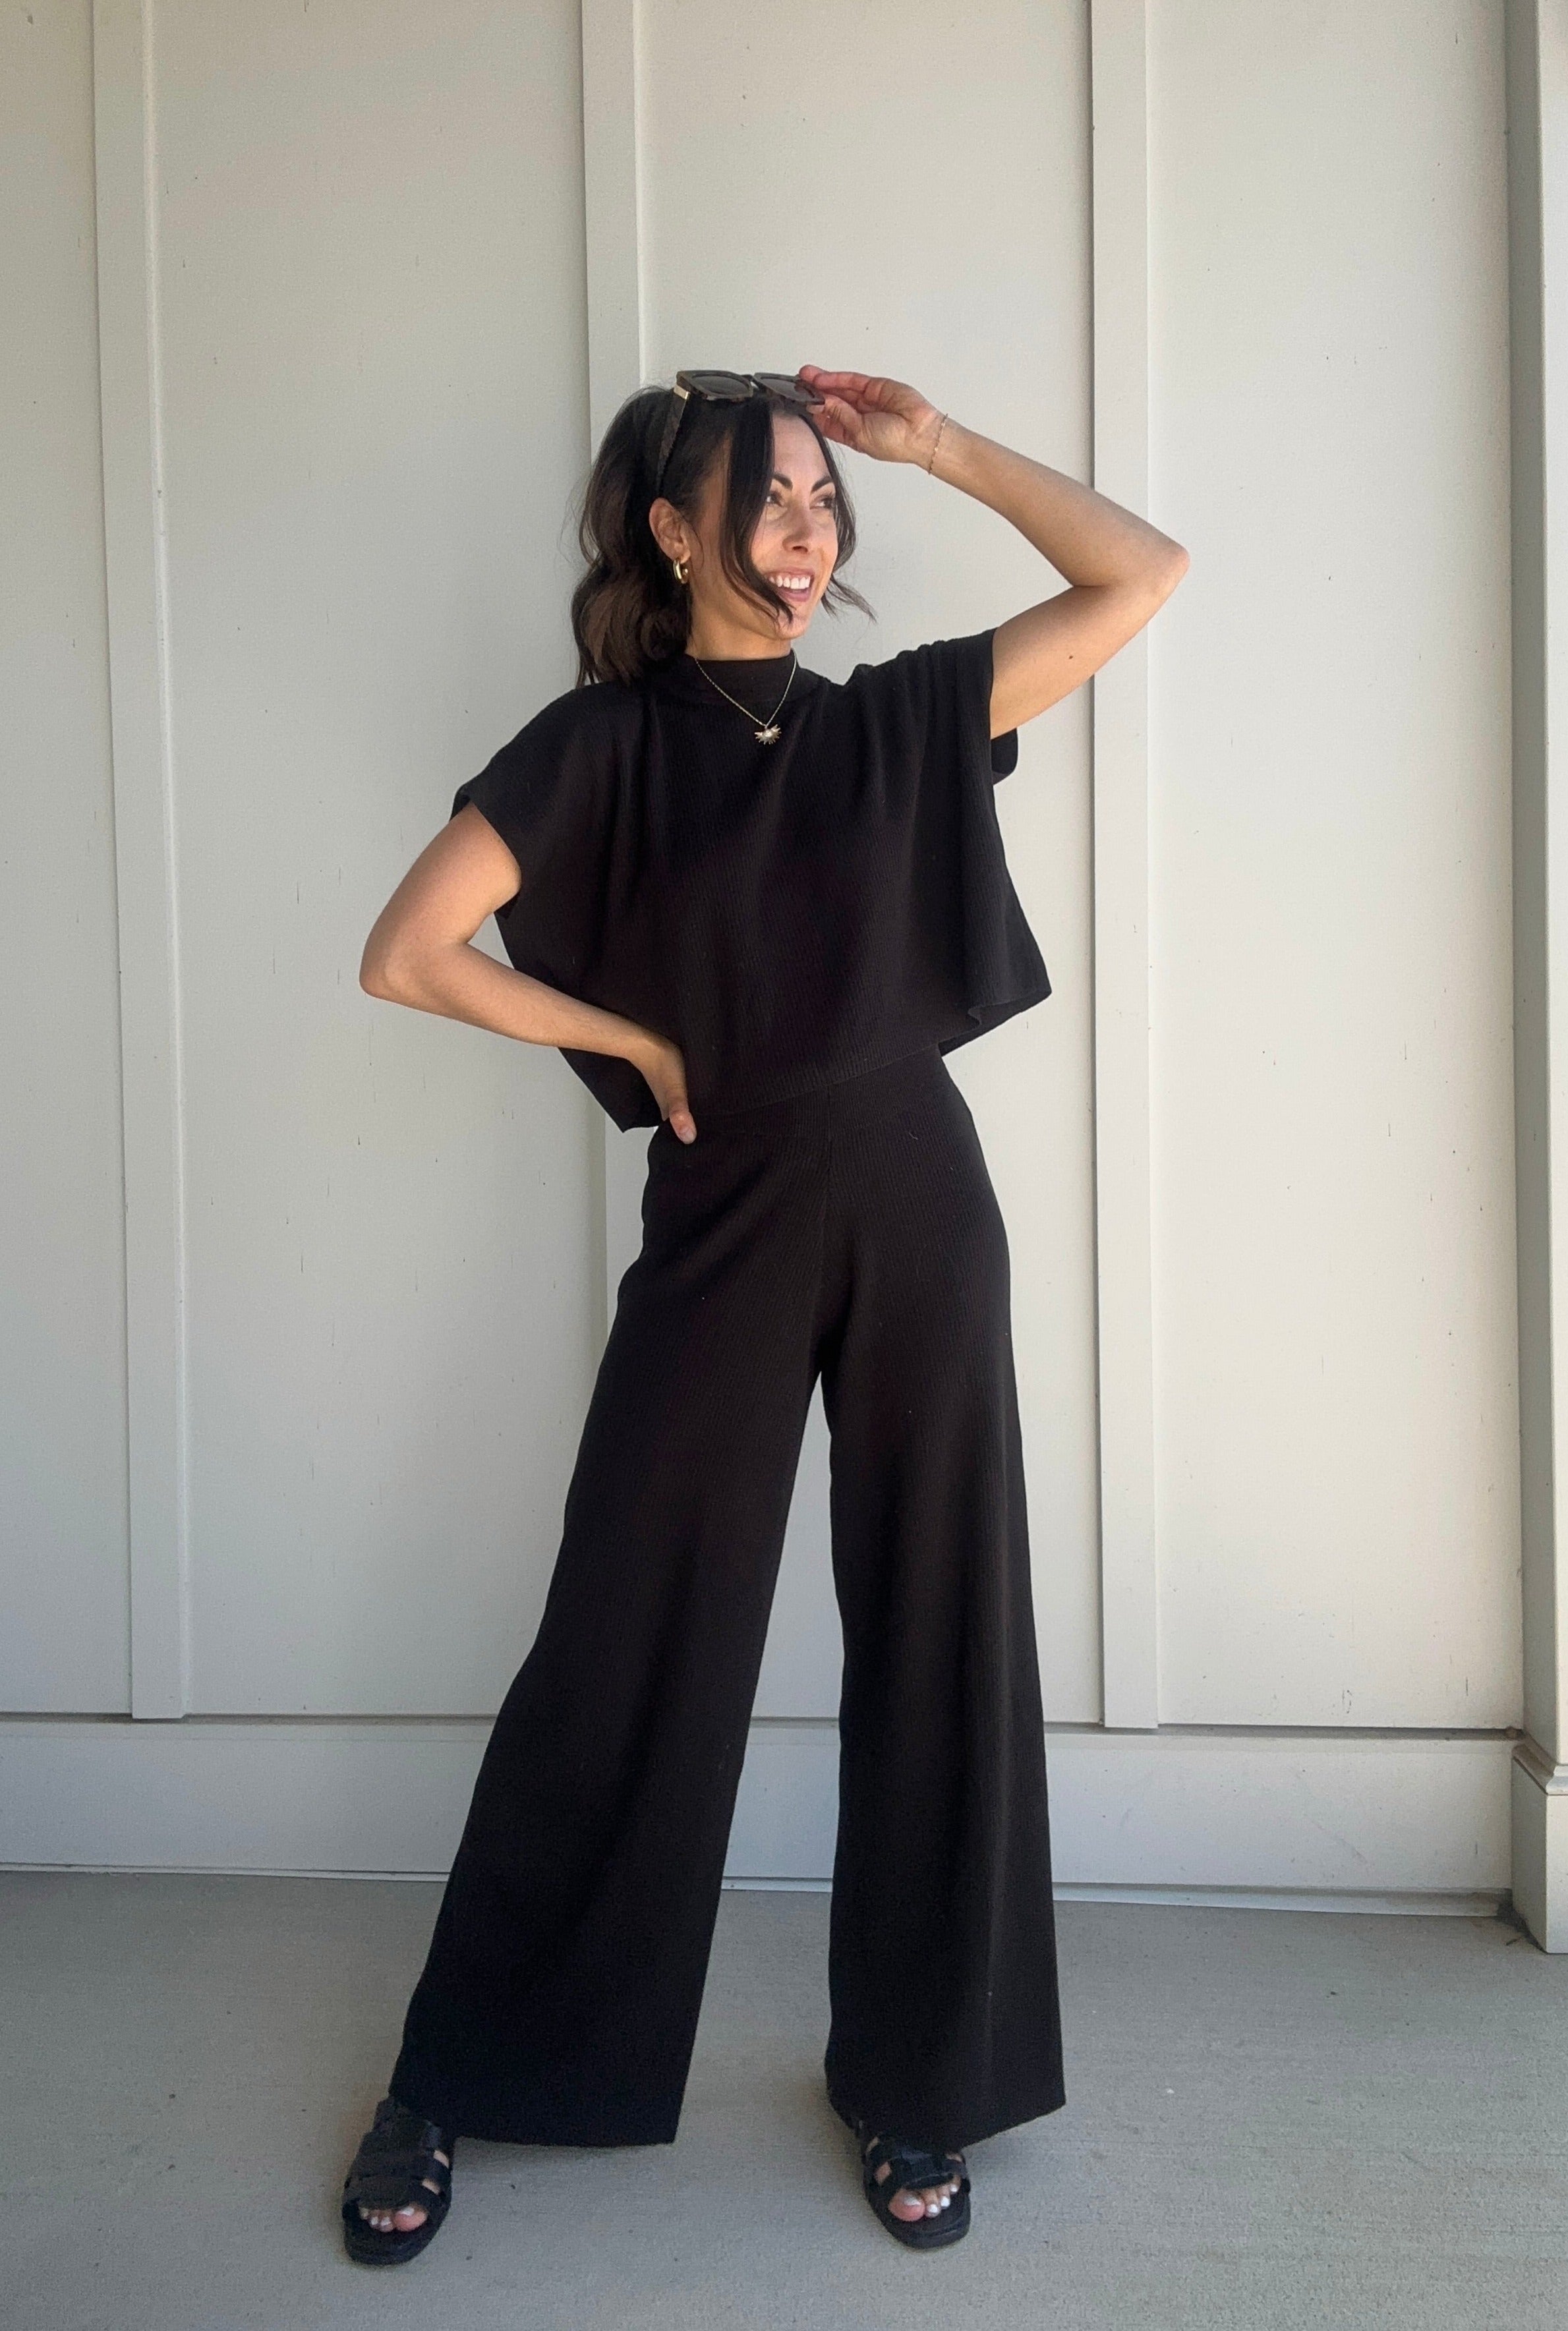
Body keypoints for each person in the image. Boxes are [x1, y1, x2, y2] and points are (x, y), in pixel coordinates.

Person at [341, 365, 1188, 2263]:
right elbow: (407, 953)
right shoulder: (599, 746)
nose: (810, 534)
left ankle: (922, 2079)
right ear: (671, 528)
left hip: (920, 1204)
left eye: (824, 500)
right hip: (723, 1218)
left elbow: (1141, 574)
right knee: (627, 1629)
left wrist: (935, 446)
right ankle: (465, 2068)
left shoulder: (898, 719)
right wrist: (636, 1042)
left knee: (944, 1625)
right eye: (770, 498)